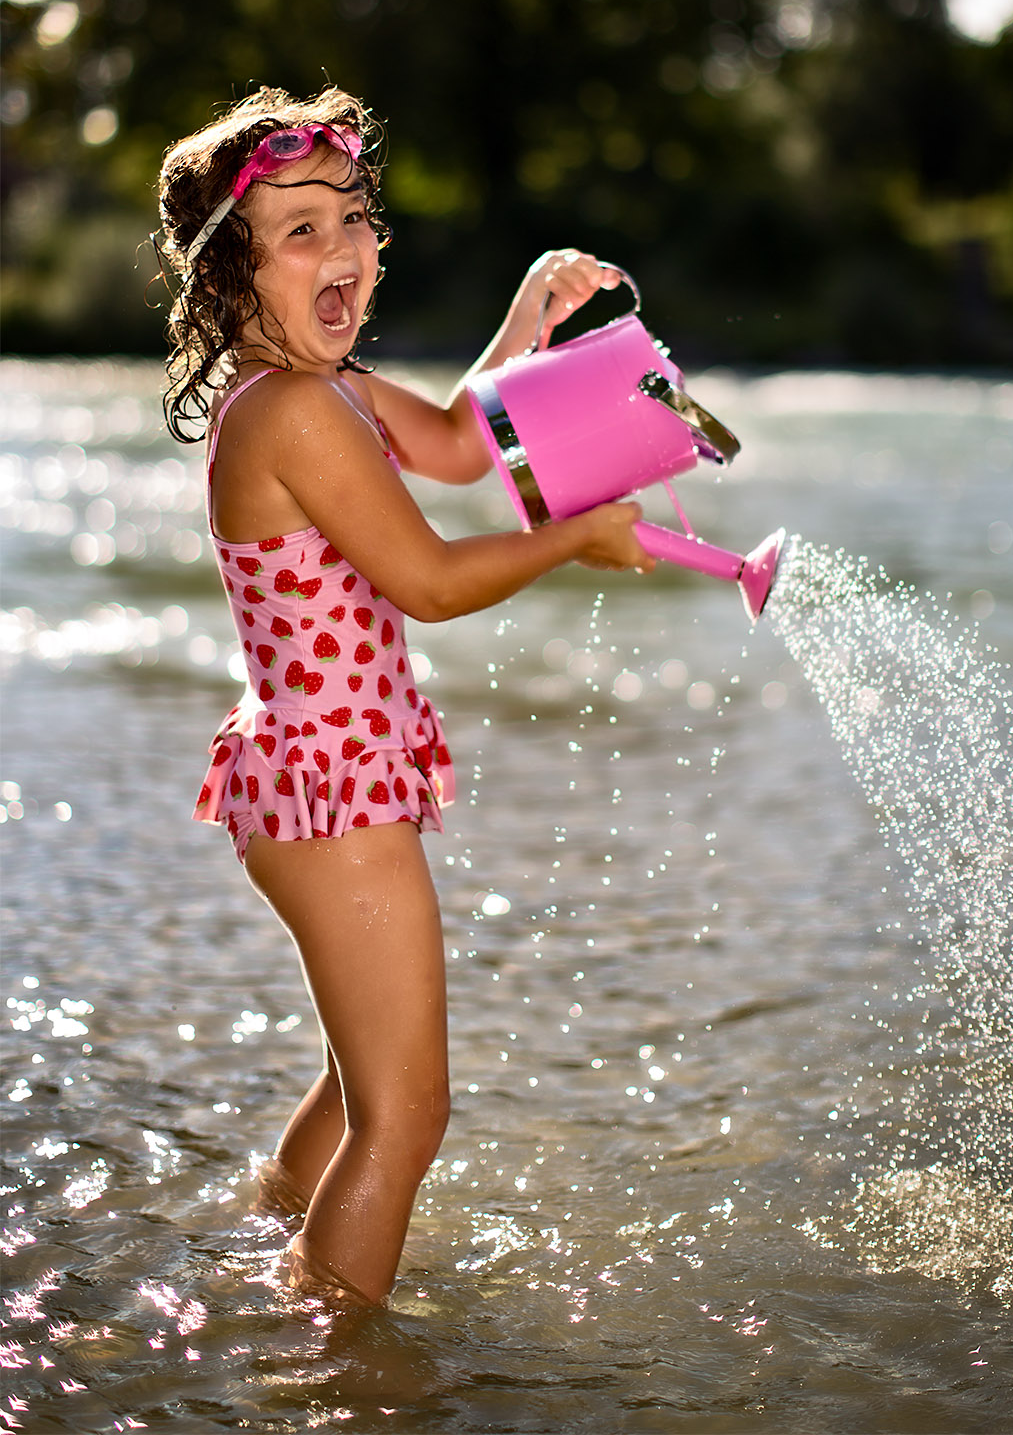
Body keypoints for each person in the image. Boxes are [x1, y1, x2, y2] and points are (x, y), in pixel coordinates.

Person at [154, 84, 653, 1307]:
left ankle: (268, 1240)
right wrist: (570, 537)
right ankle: (331, 1358)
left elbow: (457, 440)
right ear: (232, 280)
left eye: (350, 219)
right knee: (407, 1114)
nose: (343, 249)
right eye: (298, 231)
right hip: (332, 797)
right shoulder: (293, 413)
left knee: (354, 1081)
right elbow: (426, 580)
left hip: (315, 776)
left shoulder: (323, 392)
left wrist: (529, 314)